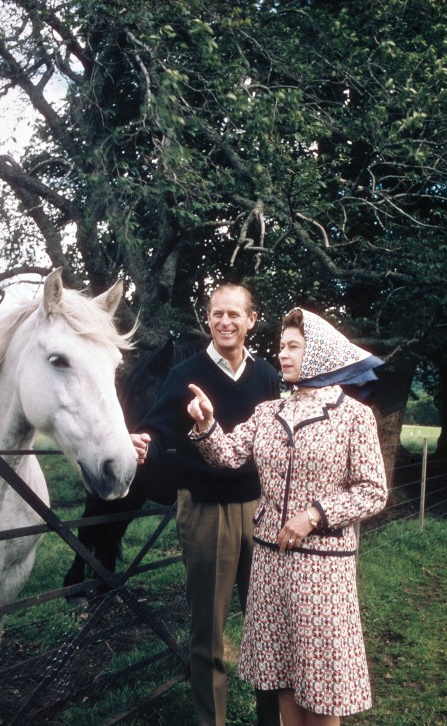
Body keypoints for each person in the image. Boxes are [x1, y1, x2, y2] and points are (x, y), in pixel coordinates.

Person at [186, 306, 388, 726]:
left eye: (295, 346)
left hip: (323, 570)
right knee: (282, 679)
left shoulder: (353, 416)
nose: (283, 354)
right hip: (270, 564)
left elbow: (373, 492)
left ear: (320, 353)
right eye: (281, 346)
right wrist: (206, 424)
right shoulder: (267, 412)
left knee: (321, 686)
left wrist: (314, 514)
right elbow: (226, 454)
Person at [130, 284, 281, 726]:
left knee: (266, 627)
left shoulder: (268, 375)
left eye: (235, 314)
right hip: (206, 512)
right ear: (208, 319)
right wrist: (144, 444)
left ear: (251, 320)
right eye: (217, 314)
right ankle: (210, 720)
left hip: (260, 511)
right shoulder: (186, 374)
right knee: (208, 633)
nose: (225, 322)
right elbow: (158, 431)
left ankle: (269, 718)